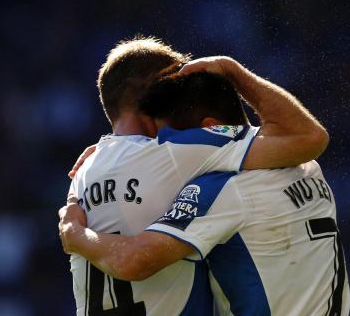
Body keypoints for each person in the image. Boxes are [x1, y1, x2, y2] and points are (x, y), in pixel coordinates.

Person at [61, 36, 329, 315]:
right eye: (176, 82)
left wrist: (74, 233)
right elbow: (308, 138)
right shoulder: (180, 151)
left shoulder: (82, 173)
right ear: (155, 91)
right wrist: (231, 70)